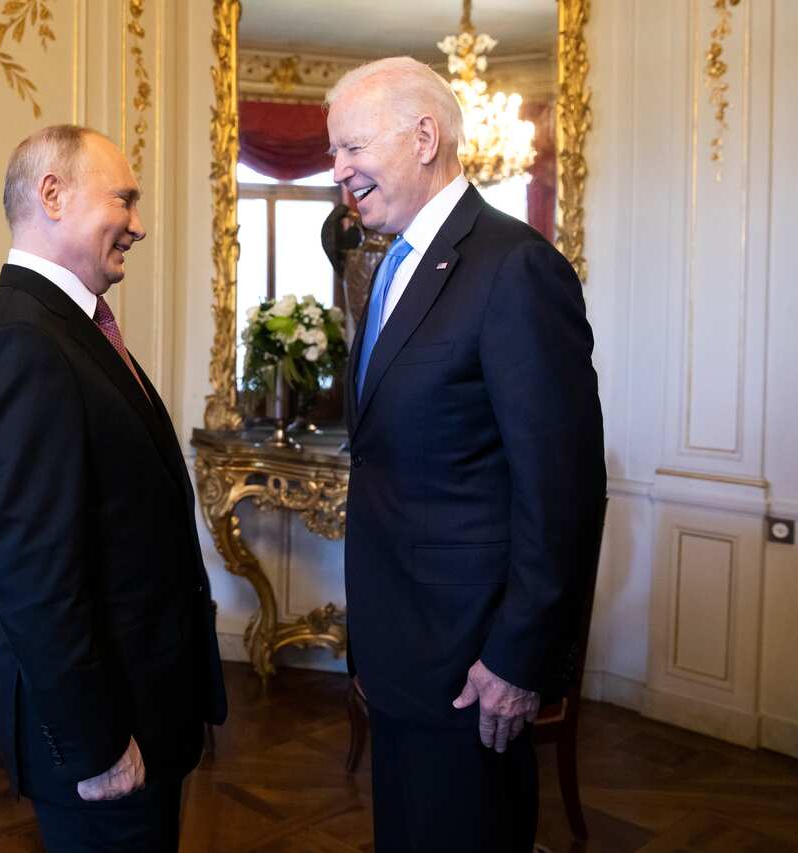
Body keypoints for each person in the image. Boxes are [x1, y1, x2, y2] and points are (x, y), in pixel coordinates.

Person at [327, 58, 606, 852]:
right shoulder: (392, 263)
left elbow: (564, 489)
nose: (339, 170)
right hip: (401, 652)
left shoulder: (514, 266)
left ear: (425, 137)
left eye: (352, 147)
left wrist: (519, 657)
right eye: (332, 152)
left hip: (473, 663)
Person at [0, 125, 227, 852]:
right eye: (124, 199)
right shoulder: (23, 341)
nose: (138, 223)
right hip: (104, 735)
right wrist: (96, 742)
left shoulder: (66, 328)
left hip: (144, 703)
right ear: (52, 194)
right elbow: (34, 576)